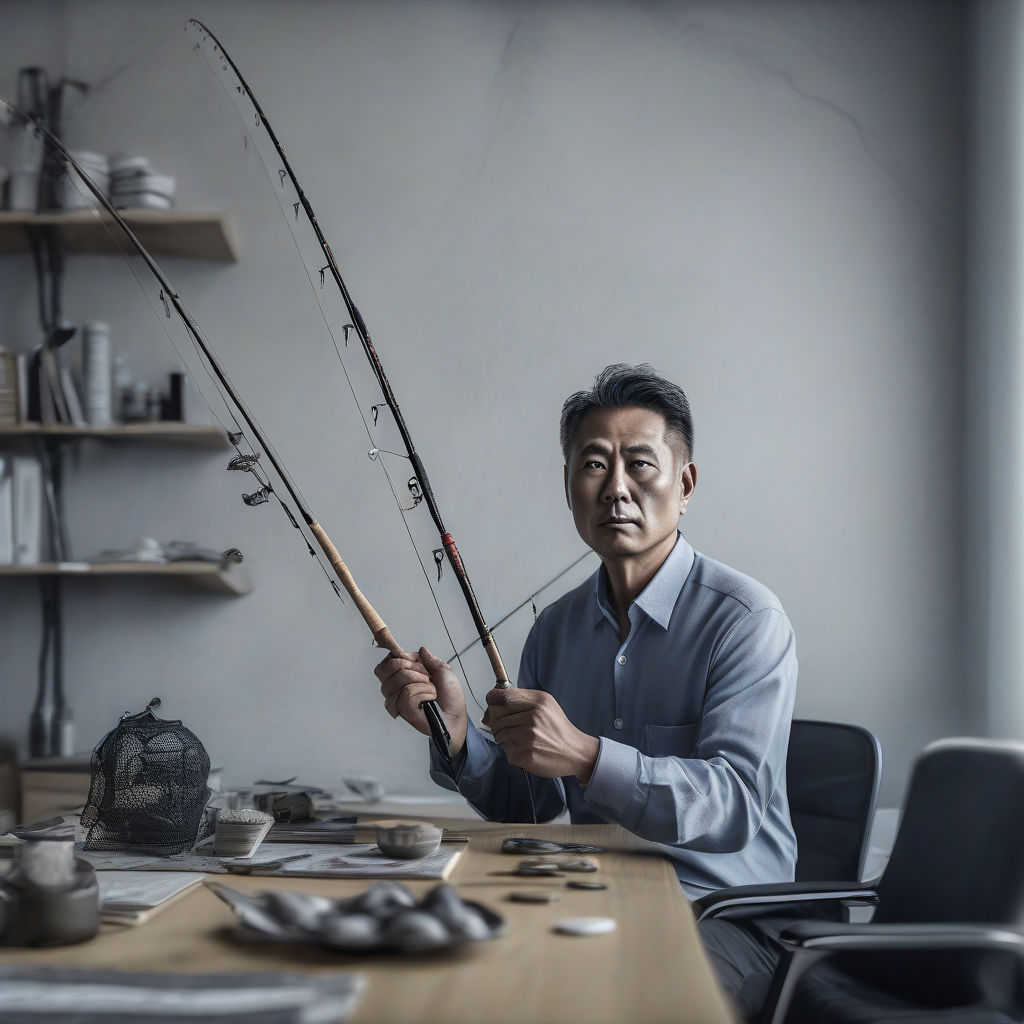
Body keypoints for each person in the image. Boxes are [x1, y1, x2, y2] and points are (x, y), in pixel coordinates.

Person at [375, 363, 797, 1018]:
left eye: (640, 464)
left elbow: (736, 805)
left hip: (728, 917)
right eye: (594, 465)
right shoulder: (556, 629)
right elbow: (536, 807)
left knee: (624, 1002)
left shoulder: (747, 621)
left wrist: (586, 756)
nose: (616, 489)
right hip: (594, 892)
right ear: (570, 488)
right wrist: (454, 732)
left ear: (685, 485)